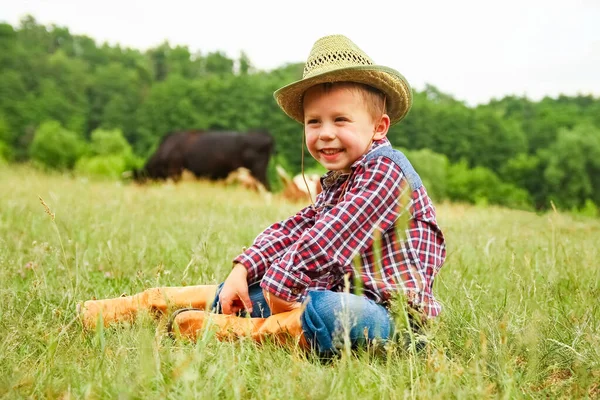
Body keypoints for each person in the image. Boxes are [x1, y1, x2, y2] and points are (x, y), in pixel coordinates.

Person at [79, 34, 446, 355]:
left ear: (378, 128)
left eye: (341, 120)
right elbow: (295, 228)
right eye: (313, 121)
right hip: (328, 293)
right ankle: (147, 305)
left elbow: (325, 242)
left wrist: (280, 291)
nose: (325, 133)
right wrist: (244, 268)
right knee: (244, 292)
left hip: (392, 317)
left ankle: (244, 332)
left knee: (332, 311)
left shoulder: (386, 173)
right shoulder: (338, 180)